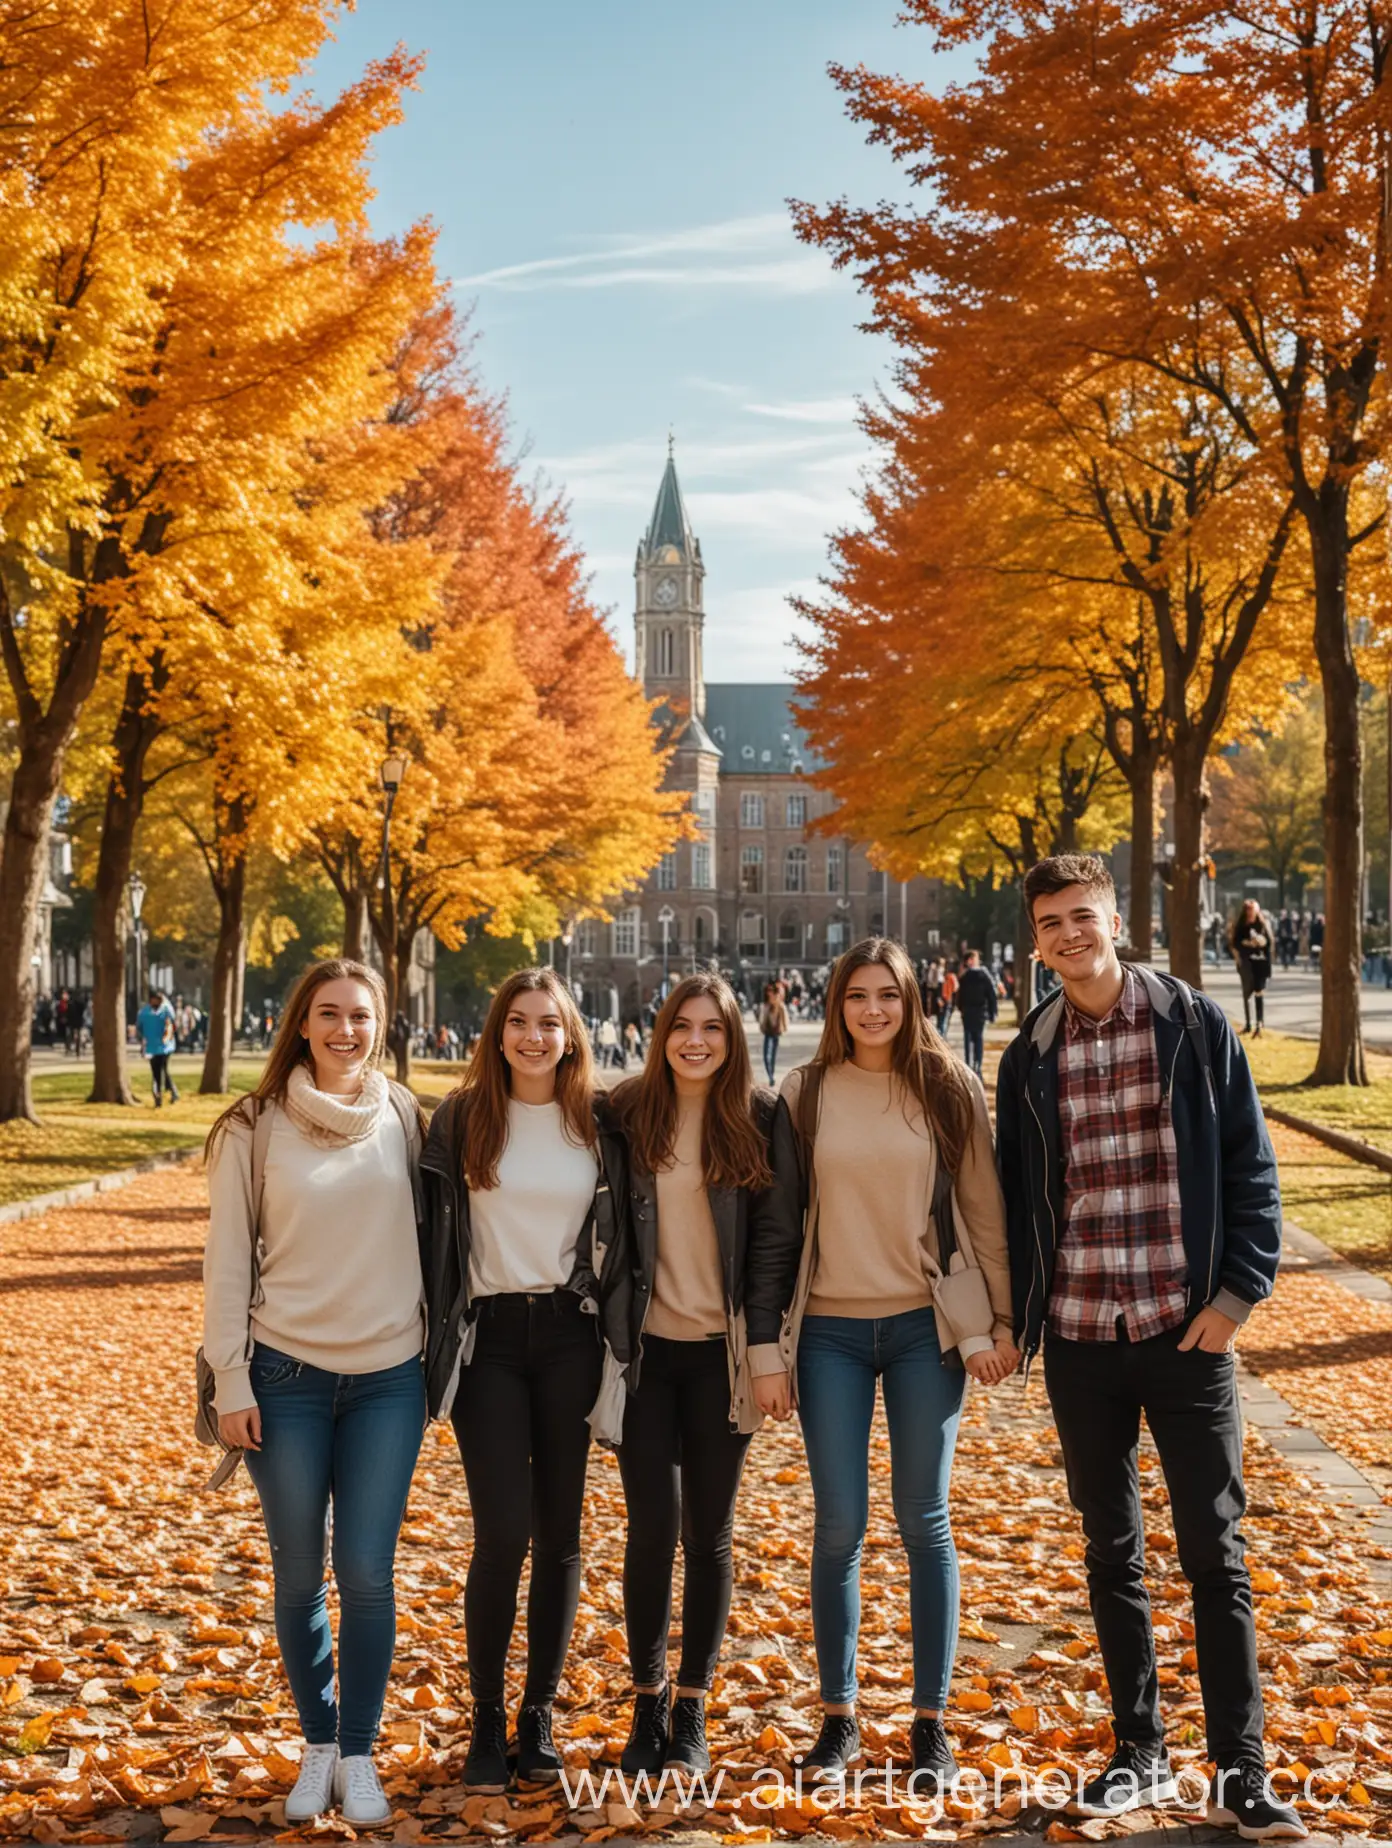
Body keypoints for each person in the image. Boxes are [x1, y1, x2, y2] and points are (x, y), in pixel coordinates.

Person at [996, 855, 1302, 1839]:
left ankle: (1239, 1769)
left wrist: (1239, 1293)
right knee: (1110, 1549)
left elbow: (1251, 1166)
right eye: (1051, 923)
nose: (1069, 935)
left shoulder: (1195, 1027)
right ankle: (1139, 1752)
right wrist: (1022, 1318)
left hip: (1186, 1331)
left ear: (1115, 920)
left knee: (1215, 1549)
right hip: (1084, 1336)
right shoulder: (1028, 1055)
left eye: (1083, 916)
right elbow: (1016, 1203)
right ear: (1036, 940)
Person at [764, 938, 1018, 1786]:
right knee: (838, 1526)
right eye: (858, 996)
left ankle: (928, 1725)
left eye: (889, 996)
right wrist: (769, 1344)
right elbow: (778, 1228)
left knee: (924, 1519)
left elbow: (983, 1209)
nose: (873, 1010)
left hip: (924, 1331)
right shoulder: (803, 1094)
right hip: (830, 1333)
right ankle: (838, 1723)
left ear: (913, 1002)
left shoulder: (948, 1089)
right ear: (836, 1004)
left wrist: (1004, 1319)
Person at [202, 959, 426, 1828]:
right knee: (300, 1573)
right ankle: (319, 1744)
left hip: (388, 1379)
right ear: (301, 1023)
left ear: (380, 1024)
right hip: (284, 1378)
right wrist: (229, 1378)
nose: (345, 1031)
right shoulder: (252, 1127)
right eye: (328, 1015)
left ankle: (362, 1752)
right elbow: (225, 1264)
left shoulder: (405, 1117)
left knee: (367, 1571)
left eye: (361, 1017)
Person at [419, 969, 627, 1795]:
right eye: (519, 1022)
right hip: (491, 1343)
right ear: (497, 1033)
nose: (535, 1036)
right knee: (503, 1531)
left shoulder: (598, 1122)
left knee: (562, 1533)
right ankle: (483, 1719)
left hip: (571, 1337)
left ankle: (538, 1715)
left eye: (550, 1023)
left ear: (571, 1035)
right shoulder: (464, 1117)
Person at [602, 973, 799, 1778]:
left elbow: (773, 1244)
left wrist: (762, 1355)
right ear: (661, 1033)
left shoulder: (758, 1118)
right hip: (647, 1356)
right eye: (682, 1026)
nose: (695, 1041)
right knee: (651, 1530)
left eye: (712, 1029)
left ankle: (692, 1706)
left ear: (733, 1038)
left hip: (722, 1362)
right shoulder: (623, 1112)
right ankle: (645, 1702)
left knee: (708, 1536)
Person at [1229, 900, 1273, 1038]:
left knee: (1259, 991)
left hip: (1260, 963)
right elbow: (1234, 943)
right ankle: (1248, 1023)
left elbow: (1269, 943)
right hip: (1246, 963)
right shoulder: (1241, 927)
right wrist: (1246, 944)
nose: (1250, 914)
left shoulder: (1262, 925)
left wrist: (1262, 942)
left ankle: (1259, 1023)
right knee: (1247, 993)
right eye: (1248, 911)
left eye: (1253, 911)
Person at [954, 950, 998, 1076]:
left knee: (977, 1038)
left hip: (978, 1011)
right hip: (969, 1011)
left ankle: (977, 1065)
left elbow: (991, 994)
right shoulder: (965, 976)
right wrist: (961, 1007)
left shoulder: (982, 975)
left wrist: (992, 1011)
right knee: (969, 1039)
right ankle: (969, 1064)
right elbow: (960, 995)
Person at [136, 988, 179, 1107]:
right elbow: (139, 1028)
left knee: (160, 1071)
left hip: (165, 1047)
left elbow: (172, 1025)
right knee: (158, 1071)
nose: (158, 1001)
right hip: (152, 1047)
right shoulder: (145, 1012)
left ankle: (160, 1095)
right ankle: (167, 1093)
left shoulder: (165, 1011)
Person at [758, 981, 790, 1085]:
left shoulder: (781, 1007)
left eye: (772, 992)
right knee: (766, 1056)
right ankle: (771, 1076)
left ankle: (771, 1076)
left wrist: (784, 1028)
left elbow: (785, 1020)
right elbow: (762, 1020)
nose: (770, 994)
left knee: (772, 1057)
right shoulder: (766, 1007)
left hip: (776, 1033)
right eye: (769, 992)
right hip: (768, 1033)